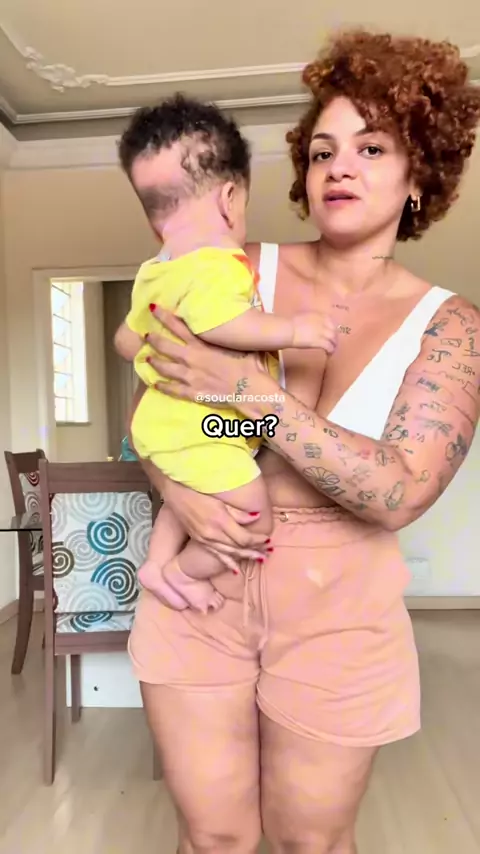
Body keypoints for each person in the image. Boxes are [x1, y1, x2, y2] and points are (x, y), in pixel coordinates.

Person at [127, 30, 480, 854]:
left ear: (420, 176)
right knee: (213, 837)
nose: (338, 168)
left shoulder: (453, 326)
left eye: (370, 147)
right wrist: (179, 494)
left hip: (338, 599)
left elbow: (399, 492)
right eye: (322, 152)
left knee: (309, 843)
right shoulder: (235, 268)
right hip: (202, 580)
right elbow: (154, 405)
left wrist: (250, 394)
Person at [114, 95, 333, 615]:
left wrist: (163, 347)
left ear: (154, 221)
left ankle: (155, 562)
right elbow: (223, 323)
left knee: (192, 485)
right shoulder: (219, 264)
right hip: (203, 428)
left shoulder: (156, 272)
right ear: (230, 199)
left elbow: (125, 341)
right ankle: (180, 572)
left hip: (163, 427)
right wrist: (294, 330)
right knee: (255, 519)